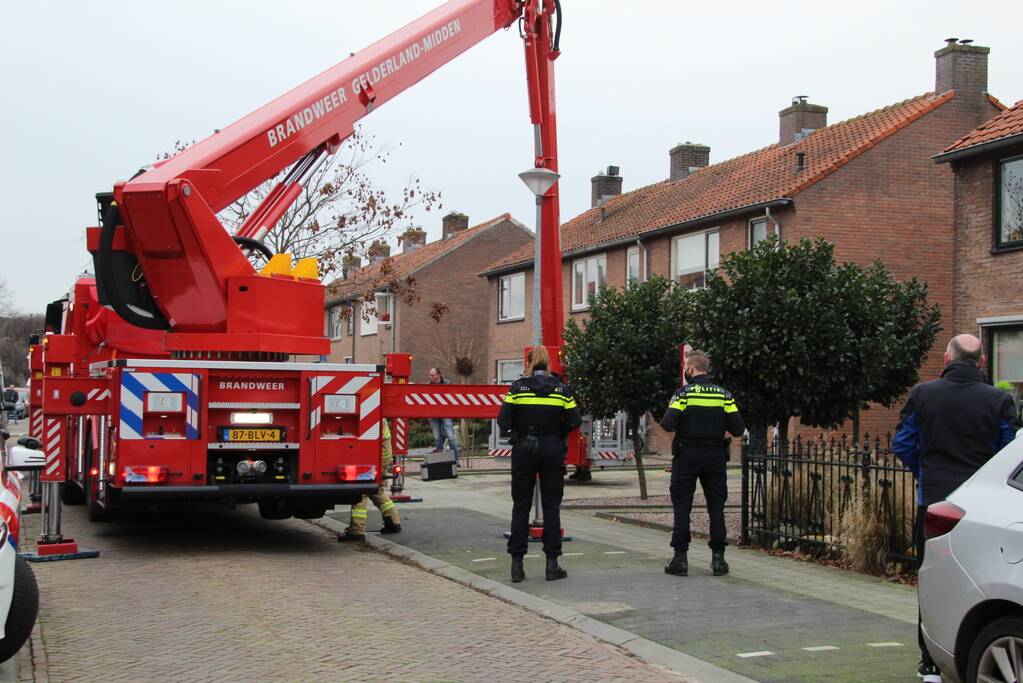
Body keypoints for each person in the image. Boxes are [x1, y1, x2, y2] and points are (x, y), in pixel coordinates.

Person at [893, 334, 1019, 683]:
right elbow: (1007, 450)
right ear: (980, 362)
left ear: (948, 358)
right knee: (977, 581)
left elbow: (902, 443)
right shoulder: (998, 400)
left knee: (932, 579)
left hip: (936, 502)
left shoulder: (923, 395)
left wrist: (924, 470)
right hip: (984, 505)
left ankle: (930, 662)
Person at [497, 346, 581, 583]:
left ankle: (517, 565)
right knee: (552, 506)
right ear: (549, 363)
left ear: (530, 362)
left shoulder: (517, 388)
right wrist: (557, 433)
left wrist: (520, 432)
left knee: (520, 506)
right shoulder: (562, 390)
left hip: (524, 448)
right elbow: (575, 420)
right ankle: (552, 565)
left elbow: (503, 420)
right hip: (552, 448)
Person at [659, 349, 745, 577]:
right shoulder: (724, 395)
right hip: (715, 456)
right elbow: (737, 428)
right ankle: (719, 560)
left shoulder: (683, 394)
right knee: (716, 507)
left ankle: (680, 559)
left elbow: (667, 424)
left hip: (687, 455)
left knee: (682, 506)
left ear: (691, 368)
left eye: (685, 367)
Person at [338, 419, 402, 542]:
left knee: (361, 488)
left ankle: (357, 531)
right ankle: (393, 522)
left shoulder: (369, 409)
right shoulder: (376, 409)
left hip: (376, 452)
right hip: (383, 452)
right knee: (377, 489)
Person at [427, 367, 461, 464]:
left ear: (439, 375)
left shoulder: (448, 384)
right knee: (437, 438)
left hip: (446, 414)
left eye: (432, 375)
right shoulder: (427, 386)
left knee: (451, 436)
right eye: (430, 375)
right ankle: (440, 461)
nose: (431, 377)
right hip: (433, 415)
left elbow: (453, 397)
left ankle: (456, 460)